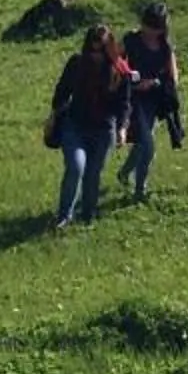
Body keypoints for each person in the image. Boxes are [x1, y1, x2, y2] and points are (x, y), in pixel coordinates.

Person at [46, 23, 129, 229]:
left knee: (93, 174)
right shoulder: (76, 64)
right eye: (92, 51)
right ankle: (64, 216)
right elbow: (61, 93)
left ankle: (88, 215)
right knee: (75, 167)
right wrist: (54, 116)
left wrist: (122, 127)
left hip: (104, 129)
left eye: (100, 52)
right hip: (75, 126)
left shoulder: (119, 70)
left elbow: (124, 103)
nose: (96, 56)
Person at [122, 0, 184, 203]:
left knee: (142, 142)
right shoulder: (130, 40)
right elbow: (117, 68)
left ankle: (124, 173)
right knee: (148, 146)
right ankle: (140, 189)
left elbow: (173, 76)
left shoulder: (165, 46)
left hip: (154, 99)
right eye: (147, 26)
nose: (149, 32)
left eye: (153, 28)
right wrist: (134, 83)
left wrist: (156, 82)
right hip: (133, 98)